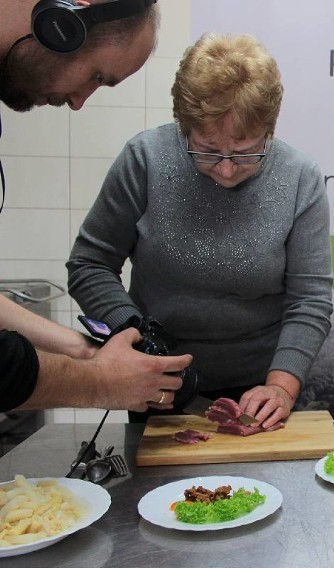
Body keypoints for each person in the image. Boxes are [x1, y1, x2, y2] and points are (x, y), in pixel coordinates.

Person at [67, 33, 333, 428]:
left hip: (260, 390)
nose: (226, 169)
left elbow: (309, 300)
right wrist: (139, 334)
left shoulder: (299, 178)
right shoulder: (145, 160)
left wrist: (281, 386)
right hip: (154, 381)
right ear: (184, 126)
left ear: (269, 130)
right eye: (207, 150)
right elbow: (89, 264)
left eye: (245, 153)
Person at [0, 0, 193, 413]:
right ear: (63, 23)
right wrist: (98, 381)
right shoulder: (145, 158)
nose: (79, 101)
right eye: (97, 76)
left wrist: (84, 351)